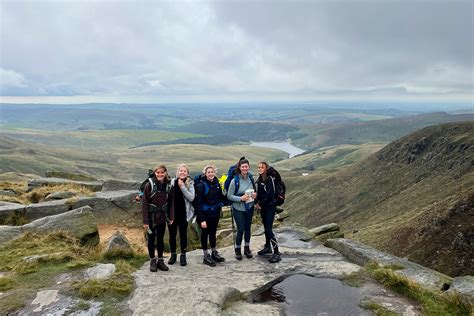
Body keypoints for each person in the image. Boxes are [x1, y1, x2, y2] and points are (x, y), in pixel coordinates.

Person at [194, 165, 227, 266]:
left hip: (215, 213)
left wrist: (228, 199)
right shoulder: (201, 185)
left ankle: (214, 253)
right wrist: (202, 219)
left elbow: (221, 197)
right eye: (208, 172)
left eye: (212, 172)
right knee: (205, 234)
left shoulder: (217, 183)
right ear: (205, 173)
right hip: (204, 215)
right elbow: (198, 203)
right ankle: (206, 256)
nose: (211, 174)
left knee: (213, 233)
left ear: (214, 173)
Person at [142, 164, 172, 272]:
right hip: (151, 218)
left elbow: (170, 202)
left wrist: (171, 217)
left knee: (160, 239)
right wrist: (145, 221)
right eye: (158, 172)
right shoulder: (149, 185)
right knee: (151, 240)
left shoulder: (168, 185)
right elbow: (144, 203)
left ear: (165, 173)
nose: (160, 174)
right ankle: (152, 261)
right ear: (155, 173)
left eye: (162, 172)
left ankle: (160, 260)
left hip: (162, 217)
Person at [227, 158, 257, 260]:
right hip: (238, 208)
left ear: (248, 167)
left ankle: (247, 248)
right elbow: (229, 196)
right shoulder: (234, 180)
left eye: (246, 167)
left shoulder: (251, 179)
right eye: (243, 167)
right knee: (240, 229)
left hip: (249, 207)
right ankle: (238, 249)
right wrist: (240, 199)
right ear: (239, 168)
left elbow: (255, 191)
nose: (245, 168)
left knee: (248, 228)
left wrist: (254, 195)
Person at [167, 164, 195, 266]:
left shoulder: (190, 183)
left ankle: (183, 255)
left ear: (187, 173)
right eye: (180, 171)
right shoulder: (172, 182)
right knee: (172, 235)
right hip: (172, 214)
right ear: (177, 172)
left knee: (183, 235)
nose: (182, 172)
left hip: (184, 214)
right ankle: (173, 255)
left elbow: (191, 198)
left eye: (184, 171)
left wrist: (182, 187)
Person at [255, 161, 281, 263]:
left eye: (262, 167)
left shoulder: (269, 179)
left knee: (269, 230)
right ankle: (267, 247)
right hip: (263, 208)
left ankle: (277, 252)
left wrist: (260, 204)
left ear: (266, 168)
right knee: (266, 228)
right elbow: (260, 193)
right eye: (258, 167)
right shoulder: (260, 178)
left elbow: (270, 195)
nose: (260, 169)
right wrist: (256, 201)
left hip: (270, 207)